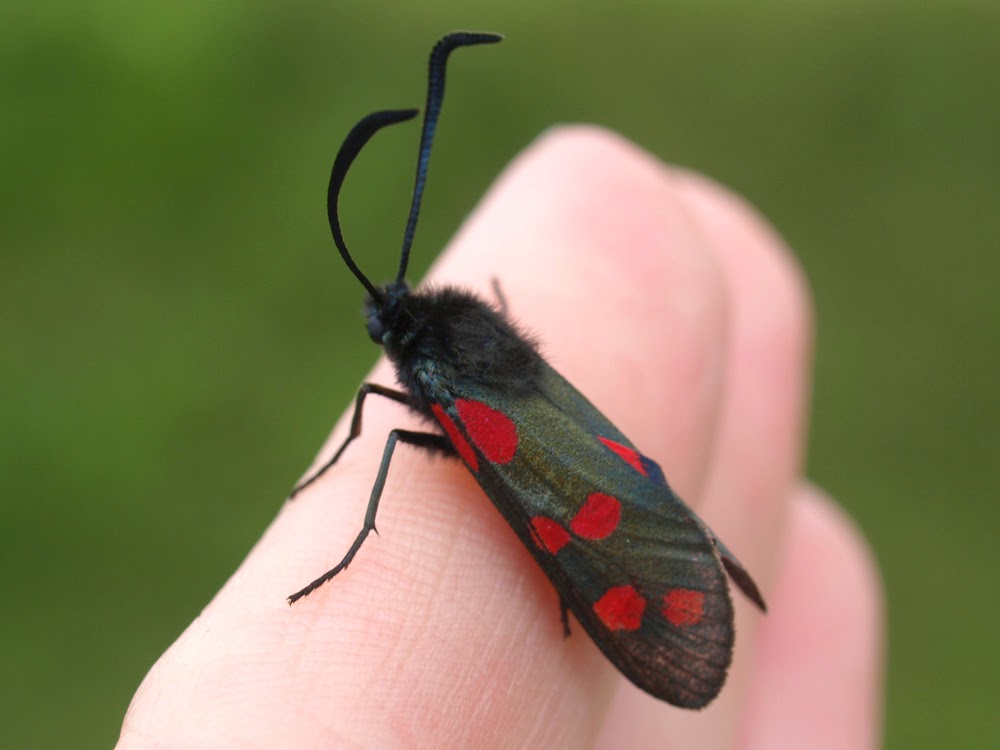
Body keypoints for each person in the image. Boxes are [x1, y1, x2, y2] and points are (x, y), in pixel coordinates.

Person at [116, 127, 883, 749]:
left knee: (392, 437)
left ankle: (377, 541)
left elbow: (400, 420)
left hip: (606, 548)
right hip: (585, 445)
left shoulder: (432, 373)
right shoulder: (456, 328)